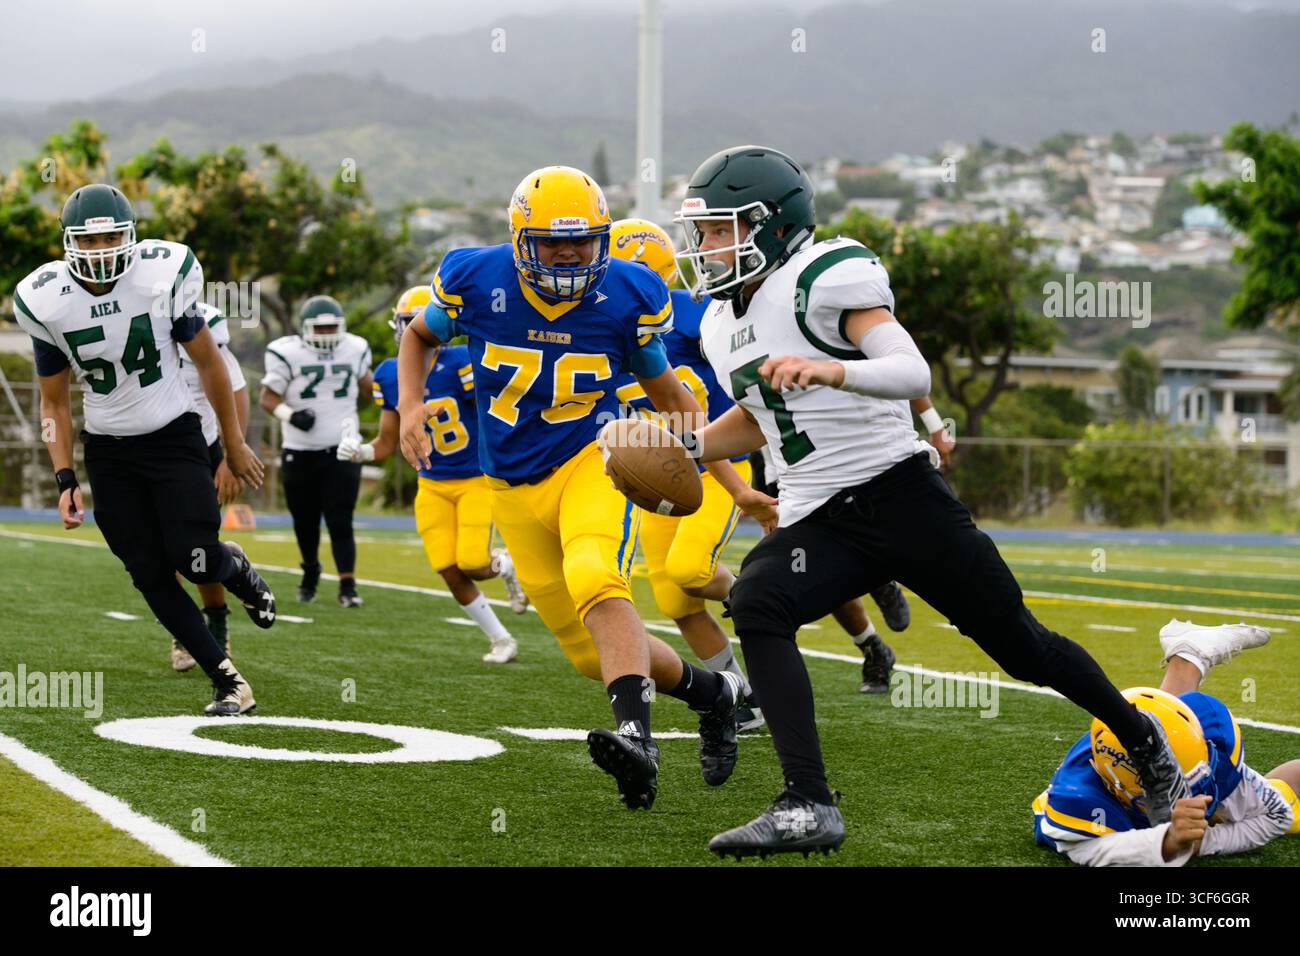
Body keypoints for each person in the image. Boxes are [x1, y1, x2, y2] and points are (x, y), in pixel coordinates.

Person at [675, 145, 1189, 857]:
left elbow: (907, 365)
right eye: (701, 232)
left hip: (901, 495)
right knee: (759, 601)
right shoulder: (714, 323)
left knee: (1024, 648)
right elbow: (761, 417)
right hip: (821, 515)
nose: (703, 247)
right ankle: (808, 802)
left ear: (772, 225)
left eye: (719, 229)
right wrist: (690, 448)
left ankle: (1143, 738)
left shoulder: (820, 277)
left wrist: (831, 370)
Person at [398, 165, 776, 809]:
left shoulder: (626, 294)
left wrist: (709, 460)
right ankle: (714, 696)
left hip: (591, 460)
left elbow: (665, 388)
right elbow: (419, 336)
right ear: (521, 240)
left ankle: (638, 737)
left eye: (583, 240)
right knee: (583, 654)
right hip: (507, 483)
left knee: (597, 575)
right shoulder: (475, 278)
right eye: (552, 241)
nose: (570, 253)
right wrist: (409, 406)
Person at [13, 183, 275, 715]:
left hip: (173, 437)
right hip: (108, 451)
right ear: (68, 245)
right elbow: (54, 406)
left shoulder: (164, 273)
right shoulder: (43, 300)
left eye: (111, 235)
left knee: (197, 559)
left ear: (131, 236)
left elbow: (211, 367)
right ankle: (228, 682)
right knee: (149, 573)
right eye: (89, 241)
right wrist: (65, 478)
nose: (102, 249)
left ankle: (236, 568)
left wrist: (233, 443)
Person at [607, 218, 762, 732]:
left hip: (716, 466)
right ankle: (746, 697)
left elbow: (729, 385)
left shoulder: (695, 316)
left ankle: (764, 596)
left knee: (692, 569)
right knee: (676, 599)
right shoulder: (597, 326)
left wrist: (741, 487)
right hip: (661, 475)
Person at [338, 285, 526, 663]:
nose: (411, 333)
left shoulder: (460, 362)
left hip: (473, 478)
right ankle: (501, 639)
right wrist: (360, 451)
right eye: (406, 324)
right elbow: (387, 443)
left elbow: (494, 415)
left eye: (416, 325)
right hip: (431, 483)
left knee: (474, 562)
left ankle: (506, 564)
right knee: (448, 569)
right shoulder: (390, 374)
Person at [1034, 619, 1297, 865]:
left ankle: (1189, 656)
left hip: (1142, 751)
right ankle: (1189, 657)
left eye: (1192, 783)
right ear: (1119, 791)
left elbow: (1276, 814)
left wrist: (1201, 843)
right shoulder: (1078, 806)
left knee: (1158, 717)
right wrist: (1169, 841)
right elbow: (1099, 852)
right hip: (1112, 810)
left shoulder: (1207, 751)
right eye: (1170, 786)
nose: (1187, 795)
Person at [261, 295, 373, 607]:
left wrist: (394, 399)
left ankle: (348, 585)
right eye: (320, 328)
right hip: (300, 449)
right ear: (306, 328)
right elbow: (267, 398)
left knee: (341, 518)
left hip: (342, 447)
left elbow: (371, 388)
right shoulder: (286, 352)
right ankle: (310, 569)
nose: (327, 333)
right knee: (305, 520)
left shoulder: (355, 348)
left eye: (331, 327)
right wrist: (291, 415)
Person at [170, 303, 249, 671]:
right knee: (154, 553)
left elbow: (235, 389)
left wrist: (231, 456)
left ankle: (215, 619)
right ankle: (186, 629)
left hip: (200, 447)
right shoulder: (121, 314)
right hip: (145, 449)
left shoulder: (201, 320)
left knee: (193, 551)